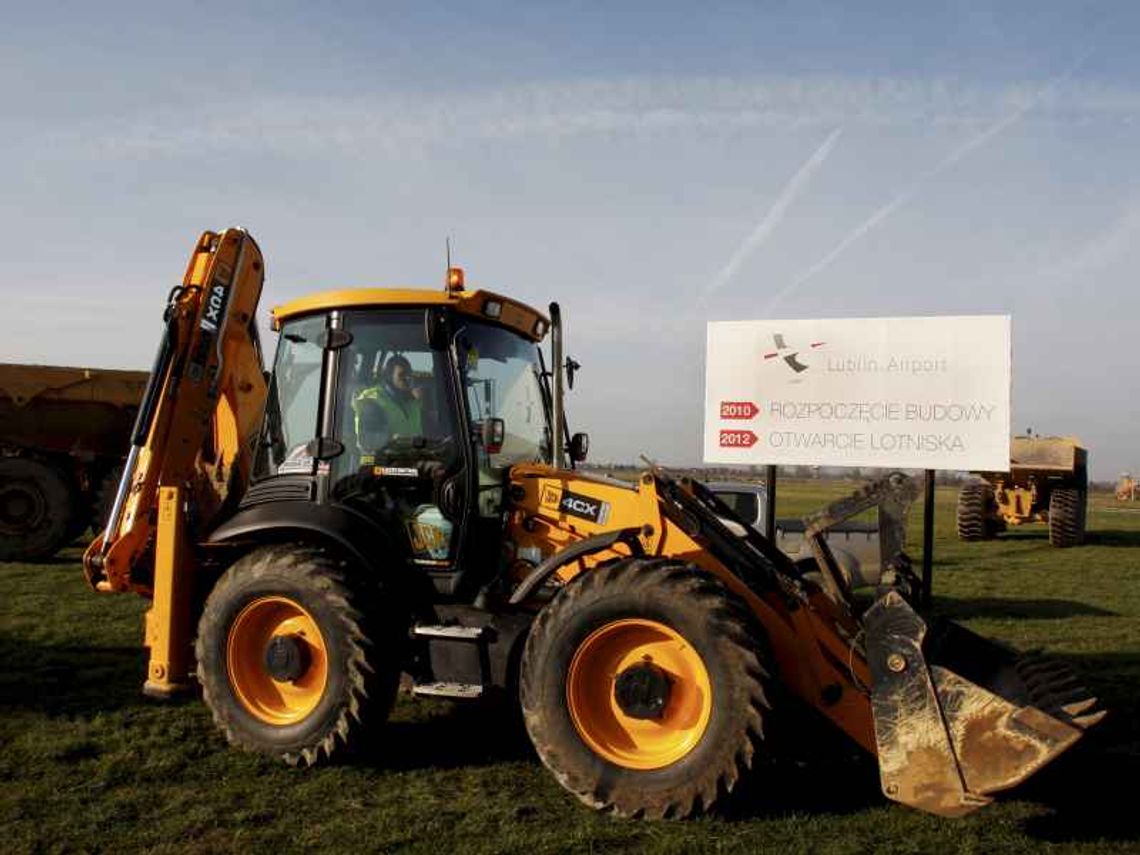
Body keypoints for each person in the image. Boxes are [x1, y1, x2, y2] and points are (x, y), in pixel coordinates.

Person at [353, 354, 423, 450]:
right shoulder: (373, 400)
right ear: (389, 377)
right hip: (381, 462)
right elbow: (368, 441)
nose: (407, 378)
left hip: (412, 458)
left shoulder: (412, 402)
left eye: (409, 374)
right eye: (401, 375)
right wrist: (394, 440)